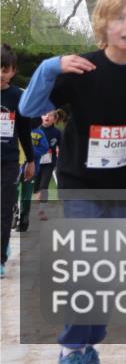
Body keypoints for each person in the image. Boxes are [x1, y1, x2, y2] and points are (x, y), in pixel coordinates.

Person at [18, 0, 126, 364]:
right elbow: (28, 108)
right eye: (119, 18)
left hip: (122, 185)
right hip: (78, 181)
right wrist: (49, 66)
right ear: (102, 25)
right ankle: (72, 347)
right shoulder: (79, 68)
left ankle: (89, 342)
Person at [1, 44, 36, 277]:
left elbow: (24, 131)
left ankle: (1, 256)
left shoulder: (18, 97)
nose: (1, 73)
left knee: (4, 210)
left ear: (13, 71)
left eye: (5, 69)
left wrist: (31, 160)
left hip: (8, 161)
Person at [16, 119, 50, 232]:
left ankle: (24, 220)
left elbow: (45, 148)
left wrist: (30, 151)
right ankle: (13, 215)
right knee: (12, 192)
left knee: (26, 195)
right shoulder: (16, 129)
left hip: (31, 168)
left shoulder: (39, 133)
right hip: (15, 167)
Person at [34, 109, 64, 221]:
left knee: (44, 187)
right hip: (36, 162)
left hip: (49, 163)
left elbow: (62, 148)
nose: (47, 117)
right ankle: (38, 193)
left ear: (54, 119)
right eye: (44, 114)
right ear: (40, 116)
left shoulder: (57, 133)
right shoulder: (35, 130)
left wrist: (61, 159)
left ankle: (42, 211)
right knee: (37, 188)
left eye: (50, 115)